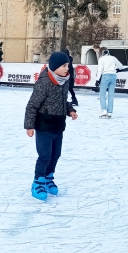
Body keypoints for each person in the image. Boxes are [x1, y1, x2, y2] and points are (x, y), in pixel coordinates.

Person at [24, 52, 78, 201]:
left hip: (58, 125)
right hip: (44, 125)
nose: (67, 68)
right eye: (64, 65)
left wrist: (70, 110)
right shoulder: (44, 82)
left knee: (56, 155)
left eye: (68, 65)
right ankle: (38, 182)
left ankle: (48, 178)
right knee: (45, 155)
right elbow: (32, 105)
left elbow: (63, 101)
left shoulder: (65, 81)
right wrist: (29, 126)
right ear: (54, 67)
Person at [96, 48, 123, 118]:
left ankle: (104, 110)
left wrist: (97, 80)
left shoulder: (101, 59)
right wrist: (116, 69)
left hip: (105, 76)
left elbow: (100, 70)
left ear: (102, 53)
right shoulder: (113, 58)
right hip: (113, 76)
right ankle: (110, 112)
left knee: (102, 94)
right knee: (111, 95)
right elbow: (121, 66)